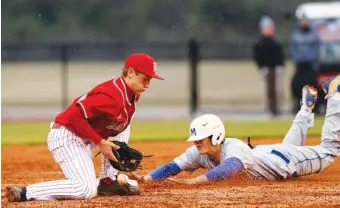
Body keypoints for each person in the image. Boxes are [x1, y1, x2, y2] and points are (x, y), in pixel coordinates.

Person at [5, 53, 164, 202]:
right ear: (130, 73)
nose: (148, 84)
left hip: (85, 136)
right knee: (86, 190)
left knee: (122, 123)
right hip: (68, 136)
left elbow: (118, 126)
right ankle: (25, 192)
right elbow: (74, 115)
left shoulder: (131, 92)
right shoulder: (112, 96)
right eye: (145, 79)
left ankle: (108, 180)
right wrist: (100, 142)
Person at [131, 76, 340, 184]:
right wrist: (147, 178)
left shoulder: (234, 148)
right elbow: (171, 167)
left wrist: (194, 182)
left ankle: (334, 95)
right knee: (287, 146)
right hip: (267, 154)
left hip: (285, 164)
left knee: (330, 150)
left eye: (201, 137)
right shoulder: (199, 152)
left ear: (217, 136)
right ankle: (305, 109)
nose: (196, 141)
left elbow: (228, 169)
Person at [253, 15, 285, 117]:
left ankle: (277, 108)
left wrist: (280, 66)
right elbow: (257, 57)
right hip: (266, 68)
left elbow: (280, 56)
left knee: (278, 89)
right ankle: (270, 108)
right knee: (268, 90)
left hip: (275, 68)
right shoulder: (259, 43)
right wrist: (261, 67)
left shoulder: (275, 42)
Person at [290, 15, 321, 114]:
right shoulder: (295, 35)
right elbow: (293, 49)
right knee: (297, 87)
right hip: (300, 66)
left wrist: (309, 58)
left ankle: (314, 107)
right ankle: (299, 106)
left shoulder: (314, 35)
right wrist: (299, 58)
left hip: (310, 66)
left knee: (312, 86)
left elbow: (316, 50)